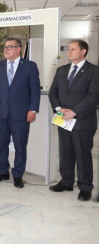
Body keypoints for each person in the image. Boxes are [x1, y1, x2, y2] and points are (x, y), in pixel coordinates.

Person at [0, 38, 40, 188]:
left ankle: (18, 175)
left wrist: (33, 109)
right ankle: (3, 171)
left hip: (21, 114)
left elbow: (35, 91)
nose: (6, 49)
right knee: (1, 144)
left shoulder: (29, 66)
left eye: (10, 47)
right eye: (5, 47)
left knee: (20, 145)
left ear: (19, 49)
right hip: (1, 113)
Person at [48, 40, 99, 202]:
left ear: (83, 51)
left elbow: (93, 96)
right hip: (63, 119)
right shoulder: (62, 70)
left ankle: (85, 187)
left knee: (82, 154)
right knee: (66, 152)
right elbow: (53, 93)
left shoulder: (94, 71)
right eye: (68, 49)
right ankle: (66, 181)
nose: (69, 52)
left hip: (82, 121)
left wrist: (75, 112)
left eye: (73, 49)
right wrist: (58, 109)